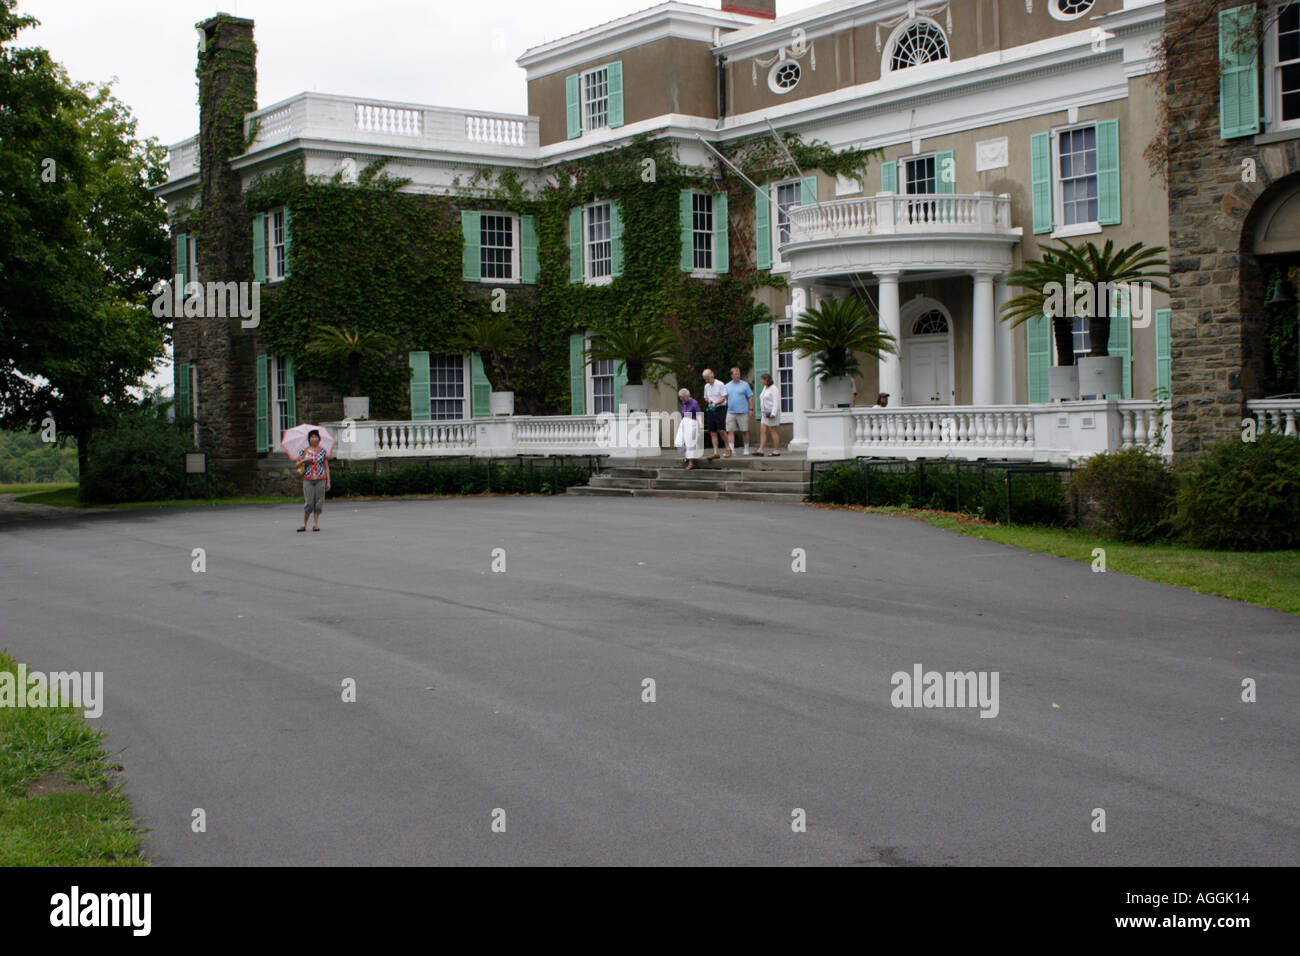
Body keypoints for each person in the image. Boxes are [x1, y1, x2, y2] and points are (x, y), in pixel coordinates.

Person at [297, 430, 330, 532]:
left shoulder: (323, 451)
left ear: (319, 439)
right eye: (312, 437)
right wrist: (304, 460)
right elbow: (297, 465)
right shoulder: (304, 451)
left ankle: (315, 524)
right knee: (309, 502)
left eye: (316, 437)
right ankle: (304, 524)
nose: (314, 439)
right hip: (308, 479)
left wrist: (328, 481)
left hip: (321, 479)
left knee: (319, 502)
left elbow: (326, 467)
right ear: (309, 439)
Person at [723, 366, 754, 457]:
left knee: (744, 431)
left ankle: (746, 448)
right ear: (731, 375)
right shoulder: (727, 386)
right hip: (730, 411)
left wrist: (751, 409)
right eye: (736, 374)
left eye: (739, 374)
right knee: (730, 431)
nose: (738, 375)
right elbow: (724, 398)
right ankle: (732, 450)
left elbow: (750, 397)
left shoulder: (745, 385)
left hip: (743, 411)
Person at [702, 368, 727, 460]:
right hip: (711, 408)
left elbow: (724, 397)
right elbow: (706, 397)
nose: (707, 381)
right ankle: (715, 452)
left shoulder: (720, 384)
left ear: (712, 376)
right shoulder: (706, 386)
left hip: (720, 408)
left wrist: (716, 403)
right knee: (712, 431)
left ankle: (728, 448)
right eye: (705, 379)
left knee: (721, 430)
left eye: (708, 378)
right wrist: (709, 401)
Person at [676, 388, 702, 470]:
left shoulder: (694, 402)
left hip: (692, 423)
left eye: (682, 397)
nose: (681, 399)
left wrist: (701, 423)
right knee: (679, 441)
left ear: (687, 396)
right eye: (680, 398)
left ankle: (691, 463)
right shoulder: (684, 402)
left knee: (690, 442)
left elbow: (698, 413)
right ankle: (688, 454)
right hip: (684, 422)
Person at [757, 372, 781, 457]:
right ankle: (761, 449)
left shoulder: (774, 388)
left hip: (771, 412)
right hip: (765, 413)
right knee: (763, 429)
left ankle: (776, 450)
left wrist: (773, 413)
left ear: (767, 380)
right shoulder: (765, 388)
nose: (761, 381)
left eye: (763, 380)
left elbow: (776, 402)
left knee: (772, 429)